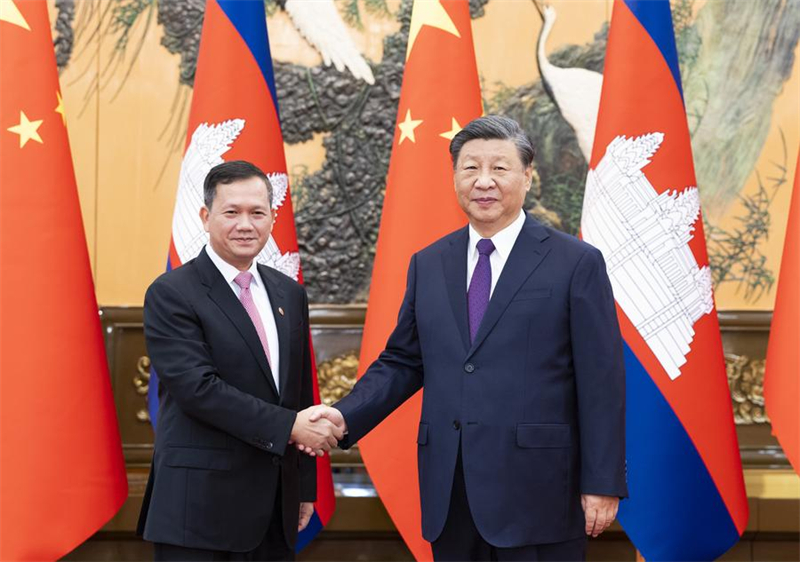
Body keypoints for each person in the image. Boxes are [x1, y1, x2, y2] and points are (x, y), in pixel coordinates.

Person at [307, 116, 627, 561]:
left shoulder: (575, 262)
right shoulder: (430, 263)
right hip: (451, 492)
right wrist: (343, 417)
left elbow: (602, 380)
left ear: (527, 176)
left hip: (540, 493)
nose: (484, 181)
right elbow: (403, 361)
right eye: (470, 168)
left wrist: (602, 481)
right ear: (455, 176)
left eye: (499, 168)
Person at [137, 160, 343, 561]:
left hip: (274, 509)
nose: (245, 224)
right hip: (198, 511)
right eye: (232, 212)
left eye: (257, 212)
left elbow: (297, 393)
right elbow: (198, 390)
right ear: (205, 216)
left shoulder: (288, 293)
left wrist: (302, 489)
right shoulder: (172, 292)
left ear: (271, 217)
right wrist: (291, 427)